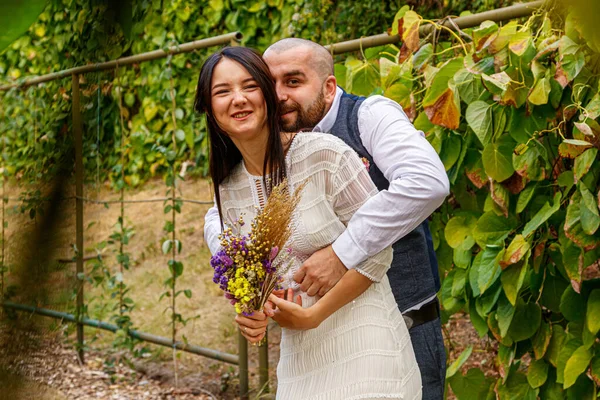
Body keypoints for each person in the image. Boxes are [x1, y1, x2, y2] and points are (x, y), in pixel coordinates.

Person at [204, 39, 449, 399]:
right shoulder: (252, 166)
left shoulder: (365, 118)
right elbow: (222, 216)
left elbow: (426, 183)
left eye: (293, 81)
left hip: (399, 319)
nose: (279, 95)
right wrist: (250, 286)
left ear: (329, 86)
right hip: (311, 343)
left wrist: (340, 254)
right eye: (268, 83)